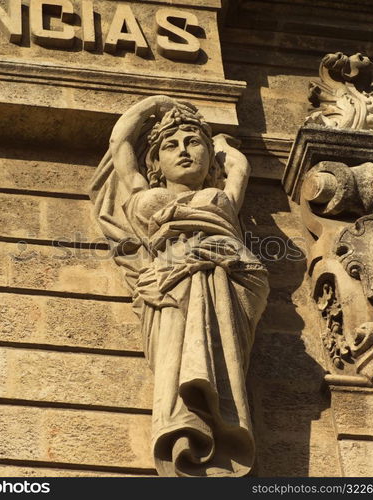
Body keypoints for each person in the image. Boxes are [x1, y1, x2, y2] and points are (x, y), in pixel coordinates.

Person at [90, 95, 269, 476]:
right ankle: (184, 428)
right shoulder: (142, 193)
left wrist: (219, 142)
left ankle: (222, 425)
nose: (183, 151)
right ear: (154, 163)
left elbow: (239, 168)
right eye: (171, 146)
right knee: (175, 358)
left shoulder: (222, 197)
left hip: (226, 279)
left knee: (225, 358)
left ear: (208, 157)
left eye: (193, 143)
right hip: (168, 286)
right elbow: (119, 143)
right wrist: (153, 104)